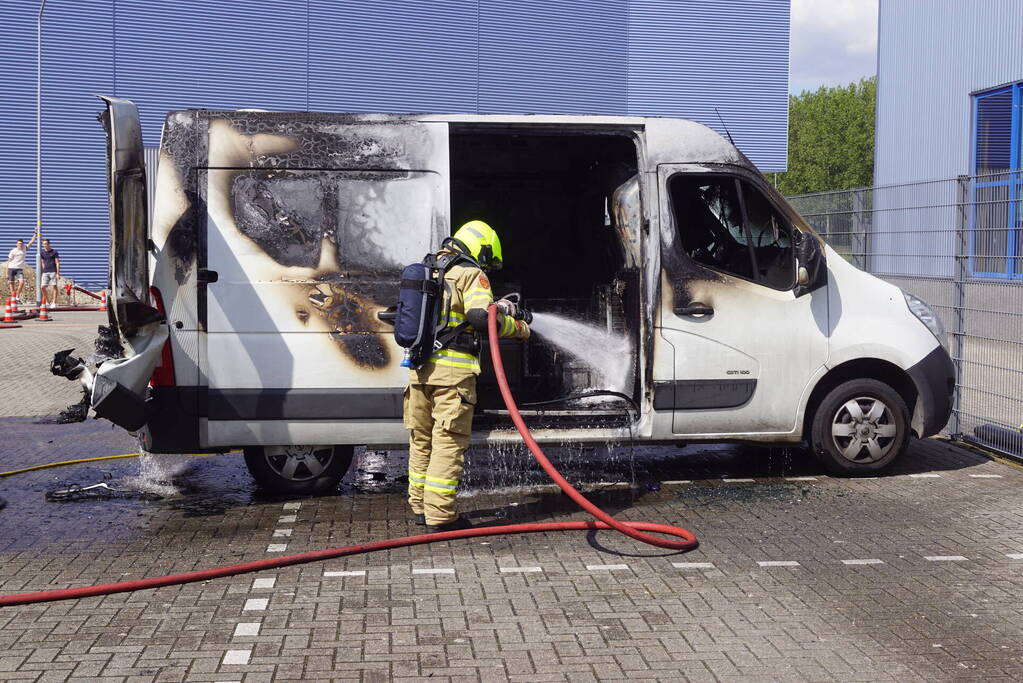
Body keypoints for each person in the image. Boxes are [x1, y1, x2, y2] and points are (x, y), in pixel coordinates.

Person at [405, 220, 531, 532]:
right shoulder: (472, 273)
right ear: (480, 249)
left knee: (422, 440)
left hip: (419, 371)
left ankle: (420, 506)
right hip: (453, 377)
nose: (486, 265)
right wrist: (518, 327)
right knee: (448, 442)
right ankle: (440, 515)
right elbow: (479, 318)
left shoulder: (431, 268)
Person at [6, 235, 36, 304]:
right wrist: (6, 272)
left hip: (19, 269)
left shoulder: (24, 248)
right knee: (11, 283)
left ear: (23, 244)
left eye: (21, 244)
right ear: (16, 244)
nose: (20, 245)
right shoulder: (13, 251)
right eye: (18, 243)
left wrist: (35, 233)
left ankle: (17, 296)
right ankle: (13, 298)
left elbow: (31, 241)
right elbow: (9, 261)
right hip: (11, 268)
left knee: (22, 282)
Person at [39, 239, 61, 309]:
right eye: (43, 244)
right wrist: (43, 269)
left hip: (53, 271)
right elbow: (42, 262)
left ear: (49, 244)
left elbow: (57, 262)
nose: (45, 245)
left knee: (54, 286)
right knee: (42, 287)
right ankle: (47, 301)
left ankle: (54, 302)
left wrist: (58, 273)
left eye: (46, 244)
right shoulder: (42, 252)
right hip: (45, 272)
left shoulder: (54, 252)